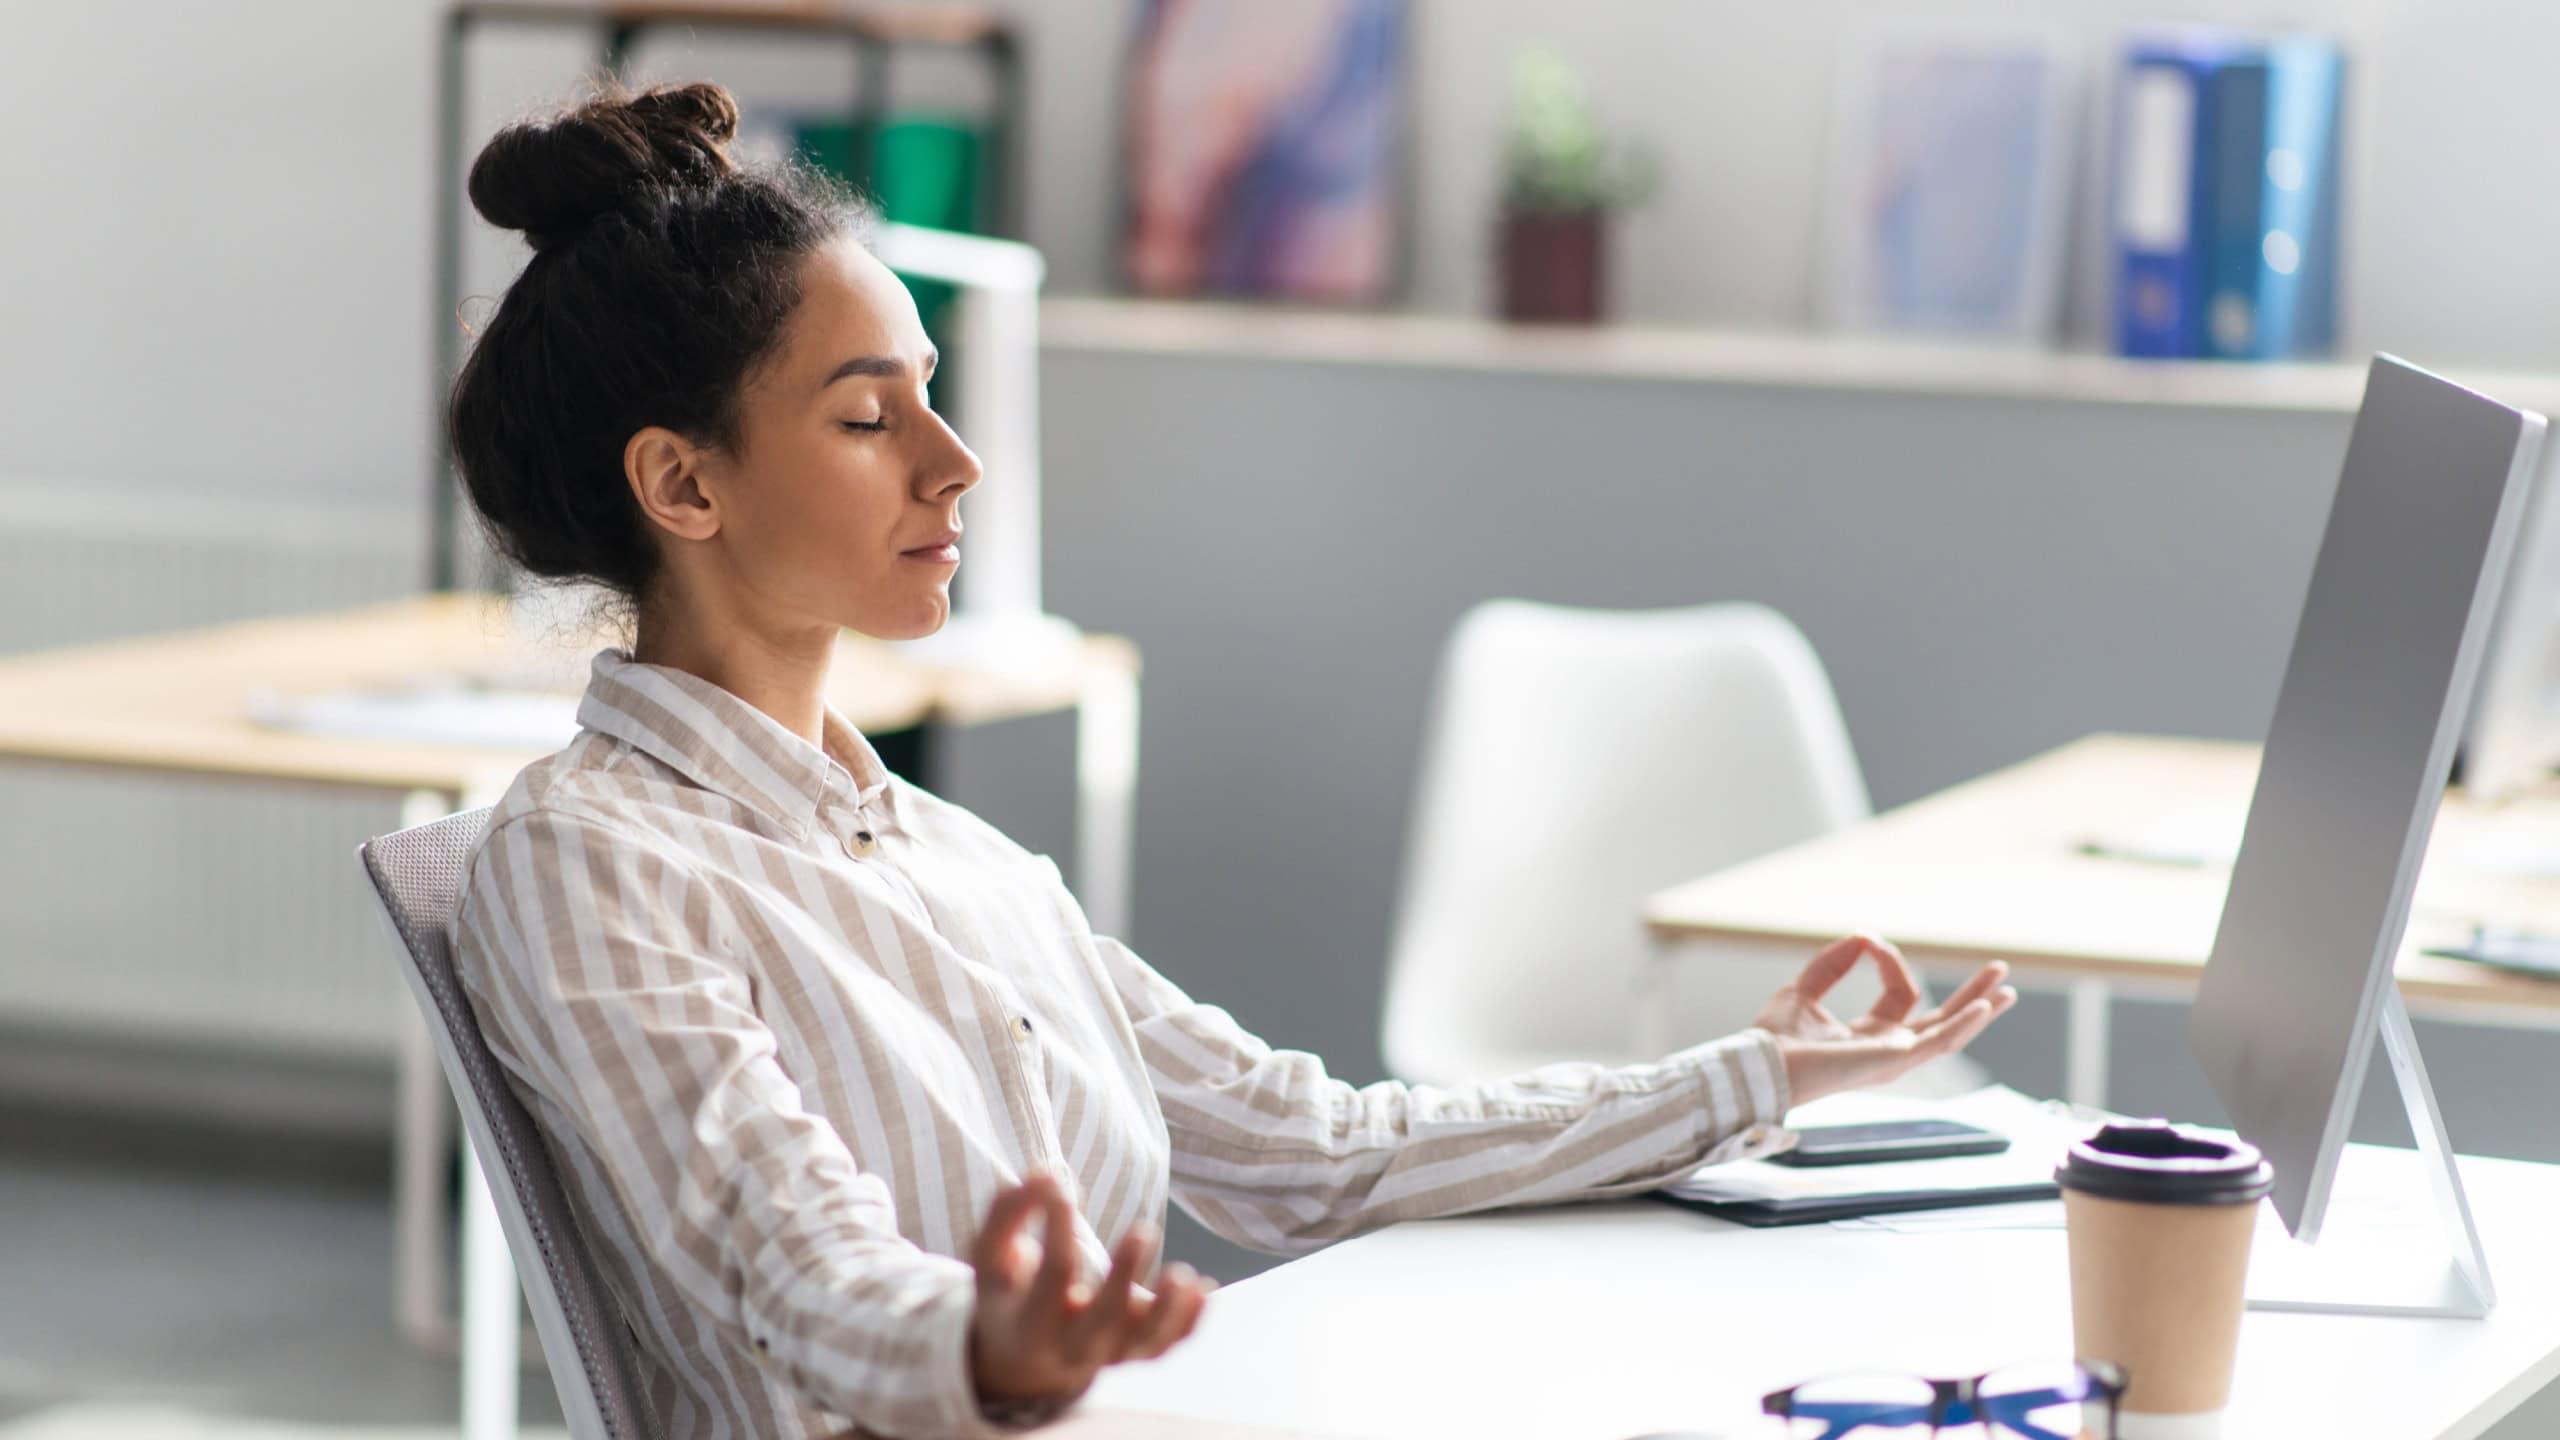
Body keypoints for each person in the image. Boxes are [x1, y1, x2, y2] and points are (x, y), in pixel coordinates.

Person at [447, 81, 2019, 1440]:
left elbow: (1311, 1152)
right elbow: (780, 1267)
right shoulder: (591, 857)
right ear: (683, 483)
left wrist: (1751, 1078)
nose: (957, 458)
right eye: (873, 418)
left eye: (934, 391)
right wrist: (984, 1346)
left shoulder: (944, 856)